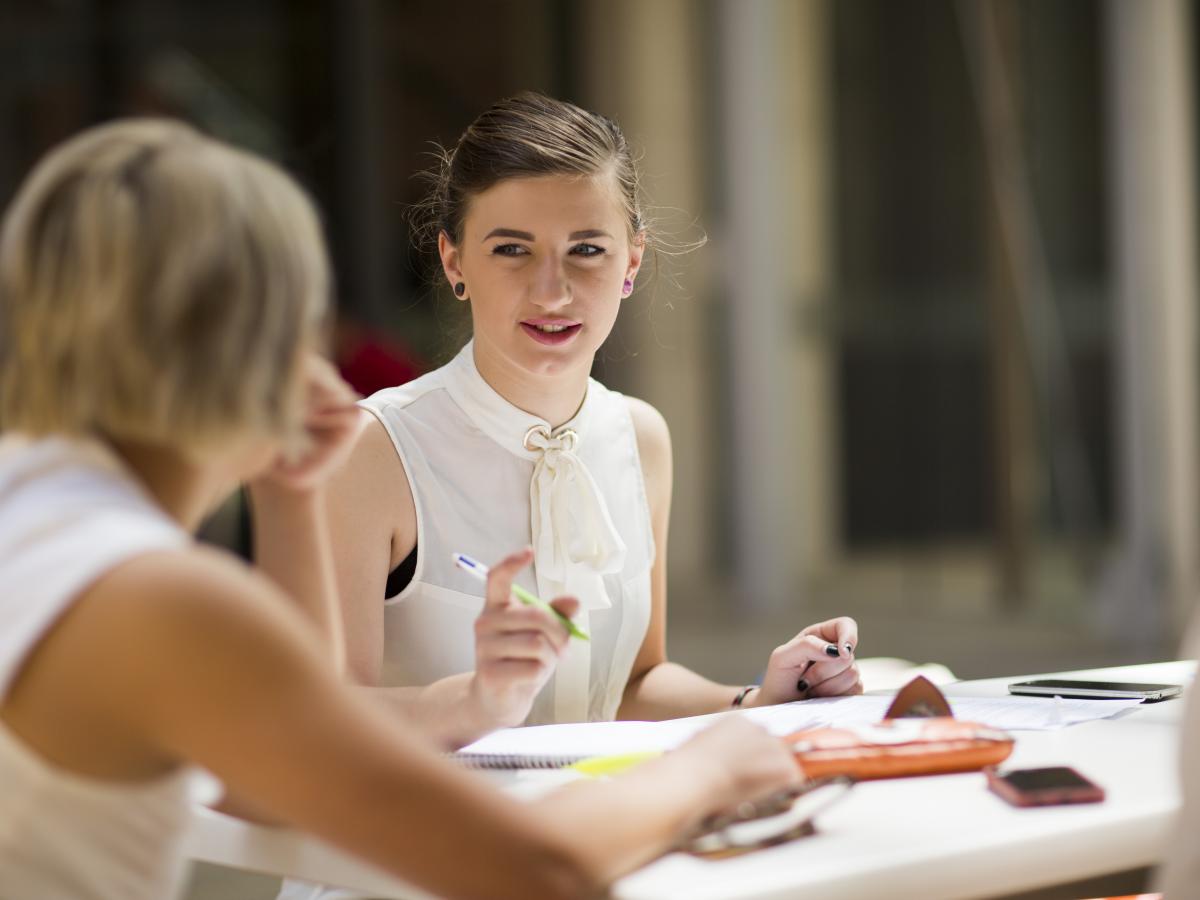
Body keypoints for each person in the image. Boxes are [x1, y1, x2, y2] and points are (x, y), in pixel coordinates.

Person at [0, 119, 804, 900]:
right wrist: (711, 766)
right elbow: (536, 871)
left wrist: (286, 486)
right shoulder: (154, 595)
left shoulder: (36, 516)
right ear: (253, 340)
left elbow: (284, 778)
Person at [326, 92, 863, 745]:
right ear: (454, 261)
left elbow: (633, 684)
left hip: (606, 819)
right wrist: (472, 701)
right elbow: (323, 714)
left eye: (586, 249)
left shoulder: (641, 437)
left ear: (630, 262)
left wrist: (762, 696)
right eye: (511, 250)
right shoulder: (373, 450)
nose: (552, 290)